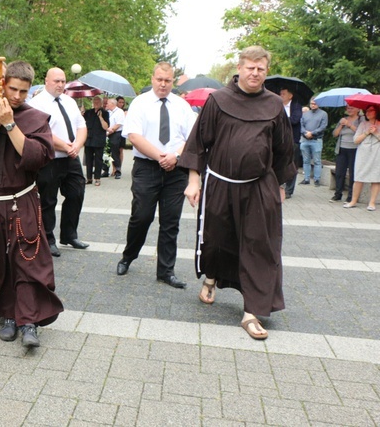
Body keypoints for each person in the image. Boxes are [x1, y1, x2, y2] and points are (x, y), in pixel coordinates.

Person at [179, 45, 296, 340]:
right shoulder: (218, 100)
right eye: (250, 67)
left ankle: (251, 312)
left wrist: (279, 186)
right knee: (218, 239)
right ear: (240, 68)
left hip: (259, 187)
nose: (255, 73)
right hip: (220, 183)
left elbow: (284, 149)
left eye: (261, 68)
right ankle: (211, 277)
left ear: (266, 71)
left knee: (260, 245)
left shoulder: (273, 105)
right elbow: (198, 143)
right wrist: (194, 180)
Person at [0, 61, 63, 348]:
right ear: (2, 85)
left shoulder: (36, 118)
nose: (17, 96)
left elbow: (35, 157)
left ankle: (29, 321)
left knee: (28, 261)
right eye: (12, 89)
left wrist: (10, 123)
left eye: (23, 91)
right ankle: (8, 315)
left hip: (22, 201)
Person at [116, 62, 196, 289]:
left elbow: (191, 138)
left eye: (168, 80)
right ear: (152, 79)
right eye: (159, 79)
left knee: (171, 222)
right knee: (141, 217)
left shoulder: (182, 106)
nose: (163, 84)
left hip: (176, 170)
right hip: (147, 167)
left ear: (173, 81)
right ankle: (128, 256)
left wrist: (175, 157)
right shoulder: (140, 103)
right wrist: (161, 156)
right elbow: (134, 136)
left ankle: (166, 271)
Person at [28, 67, 89, 257]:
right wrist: (66, 146)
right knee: (48, 200)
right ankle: (48, 238)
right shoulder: (36, 104)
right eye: (56, 81)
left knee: (77, 193)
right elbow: (41, 132)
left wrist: (77, 145)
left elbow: (81, 126)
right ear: (46, 81)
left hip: (71, 157)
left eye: (63, 81)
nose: (61, 85)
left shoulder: (69, 101)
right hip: (50, 158)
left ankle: (69, 234)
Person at [343, 105, 380, 211]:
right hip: (363, 154)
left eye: (371, 111)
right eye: (366, 111)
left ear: (376, 112)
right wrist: (367, 132)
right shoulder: (363, 124)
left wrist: (376, 132)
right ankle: (353, 201)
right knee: (358, 177)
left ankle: (372, 203)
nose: (367, 113)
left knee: (376, 178)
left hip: (376, 154)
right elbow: (356, 140)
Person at [330, 105, 361, 203]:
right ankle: (338, 194)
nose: (349, 110)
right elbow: (335, 134)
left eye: (352, 108)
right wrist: (341, 125)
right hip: (342, 148)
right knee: (339, 172)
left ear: (358, 109)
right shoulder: (343, 119)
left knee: (352, 173)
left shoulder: (361, 120)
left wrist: (349, 125)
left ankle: (351, 196)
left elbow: (361, 132)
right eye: (348, 108)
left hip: (354, 149)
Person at [299, 98, 328, 186]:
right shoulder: (305, 114)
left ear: (319, 104)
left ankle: (317, 179)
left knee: (317, 161)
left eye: (315, 103)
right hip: (305, 140)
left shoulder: (323, 114)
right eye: (311, 103)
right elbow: (301, 125)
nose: (313, 105)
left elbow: (323, 126)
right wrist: (305, 132)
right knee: (306, 160)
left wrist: (312, 133)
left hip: (316, 140)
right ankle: (306, 178)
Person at [279, 88, 302, 198]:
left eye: (284, 94)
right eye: (280, 94)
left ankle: (289, 190)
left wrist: (281, 118)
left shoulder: (296, 106)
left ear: (290, 96)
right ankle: (278, 186)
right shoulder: (277, 105)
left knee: (292, 164)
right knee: (278, 163)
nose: (281, 95)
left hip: (293, 139)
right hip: (279, 139)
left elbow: (295, 120)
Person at [83, 95, 109, 186]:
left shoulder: (105, 113)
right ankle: (89, 178)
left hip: (99, 139)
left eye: (98, 102)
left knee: (98, 160)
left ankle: (97, 178)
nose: (96, 103)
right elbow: (82, 124)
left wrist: (100, 117)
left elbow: (106, 127)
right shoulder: (88, 112)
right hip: (89, 139)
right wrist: (81, 113)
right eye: (95, 101)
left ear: (101, 103)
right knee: (88, 160)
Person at [106, 97, 125, 179]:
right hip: (108, 133)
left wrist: (111, 130)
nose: (106, 105)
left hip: (116, 133)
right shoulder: (109, 112)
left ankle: (118, 171)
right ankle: (105, 170)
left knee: (115, 152)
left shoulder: (119, 112)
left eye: (108, 103)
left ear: (112, 104)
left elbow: (119, 124)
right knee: (106, 152)